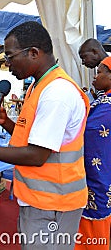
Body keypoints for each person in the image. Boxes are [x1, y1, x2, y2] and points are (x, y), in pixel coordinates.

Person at [0, 21, 90, 249]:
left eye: (10, 56)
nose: (7, 64)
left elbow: (36, 155)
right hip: (40, 199)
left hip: (53, 203)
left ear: (33, 53)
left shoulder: (56, 93)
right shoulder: (37, 86)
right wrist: (6, 122)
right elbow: (34, 139)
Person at [75, 57, 111, 250]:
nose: (95, 77)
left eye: (99, 72)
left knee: (92, 232)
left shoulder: (107, 106)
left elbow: (89, 134)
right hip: (104, 174)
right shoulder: (103, 101)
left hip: (96, 178)